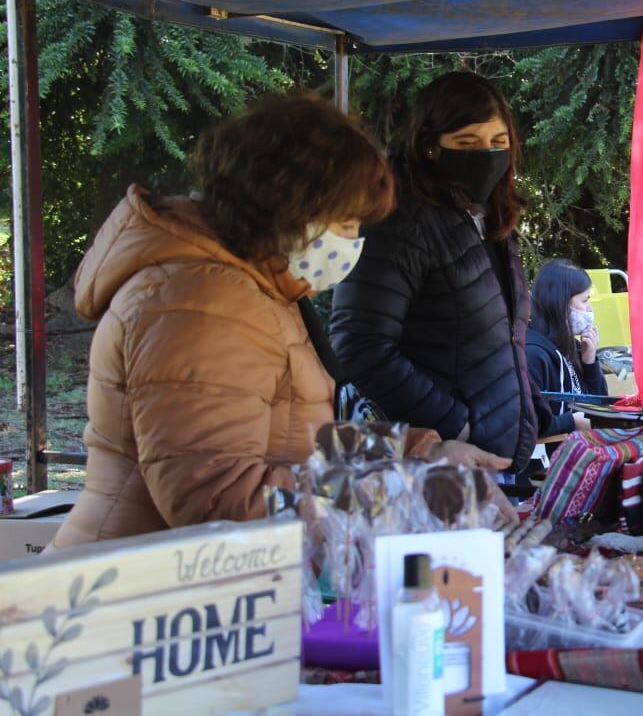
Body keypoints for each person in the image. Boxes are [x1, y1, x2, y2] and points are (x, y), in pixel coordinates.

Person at [51, 94, 403, 546]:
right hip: (143, 592)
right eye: (348, 222)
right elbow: (216, 497)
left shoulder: (257, 285)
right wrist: (385, 493)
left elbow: (303, 428)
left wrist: (415, 456)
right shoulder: (204, 300)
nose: (354, 241)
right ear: (291, 203)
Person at [330, 71, 543, 479]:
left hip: (491, 458)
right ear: (429, 145)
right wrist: (454, 427)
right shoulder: (397, 220)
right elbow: (360, 345)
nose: (486, 155)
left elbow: (500, 340)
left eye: (498, 143)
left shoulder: (490, 217)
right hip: (433, 462)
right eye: (466, 143)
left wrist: (537, 415)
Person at [526, 260, 608, 437]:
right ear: (561, 303)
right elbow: (529, 425)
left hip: (580, 451)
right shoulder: (532, 353)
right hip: (551, 460)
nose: (589, 309)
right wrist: (572, 422)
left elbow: (601, 410)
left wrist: (590, 362)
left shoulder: (573, 346)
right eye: (584, 300)